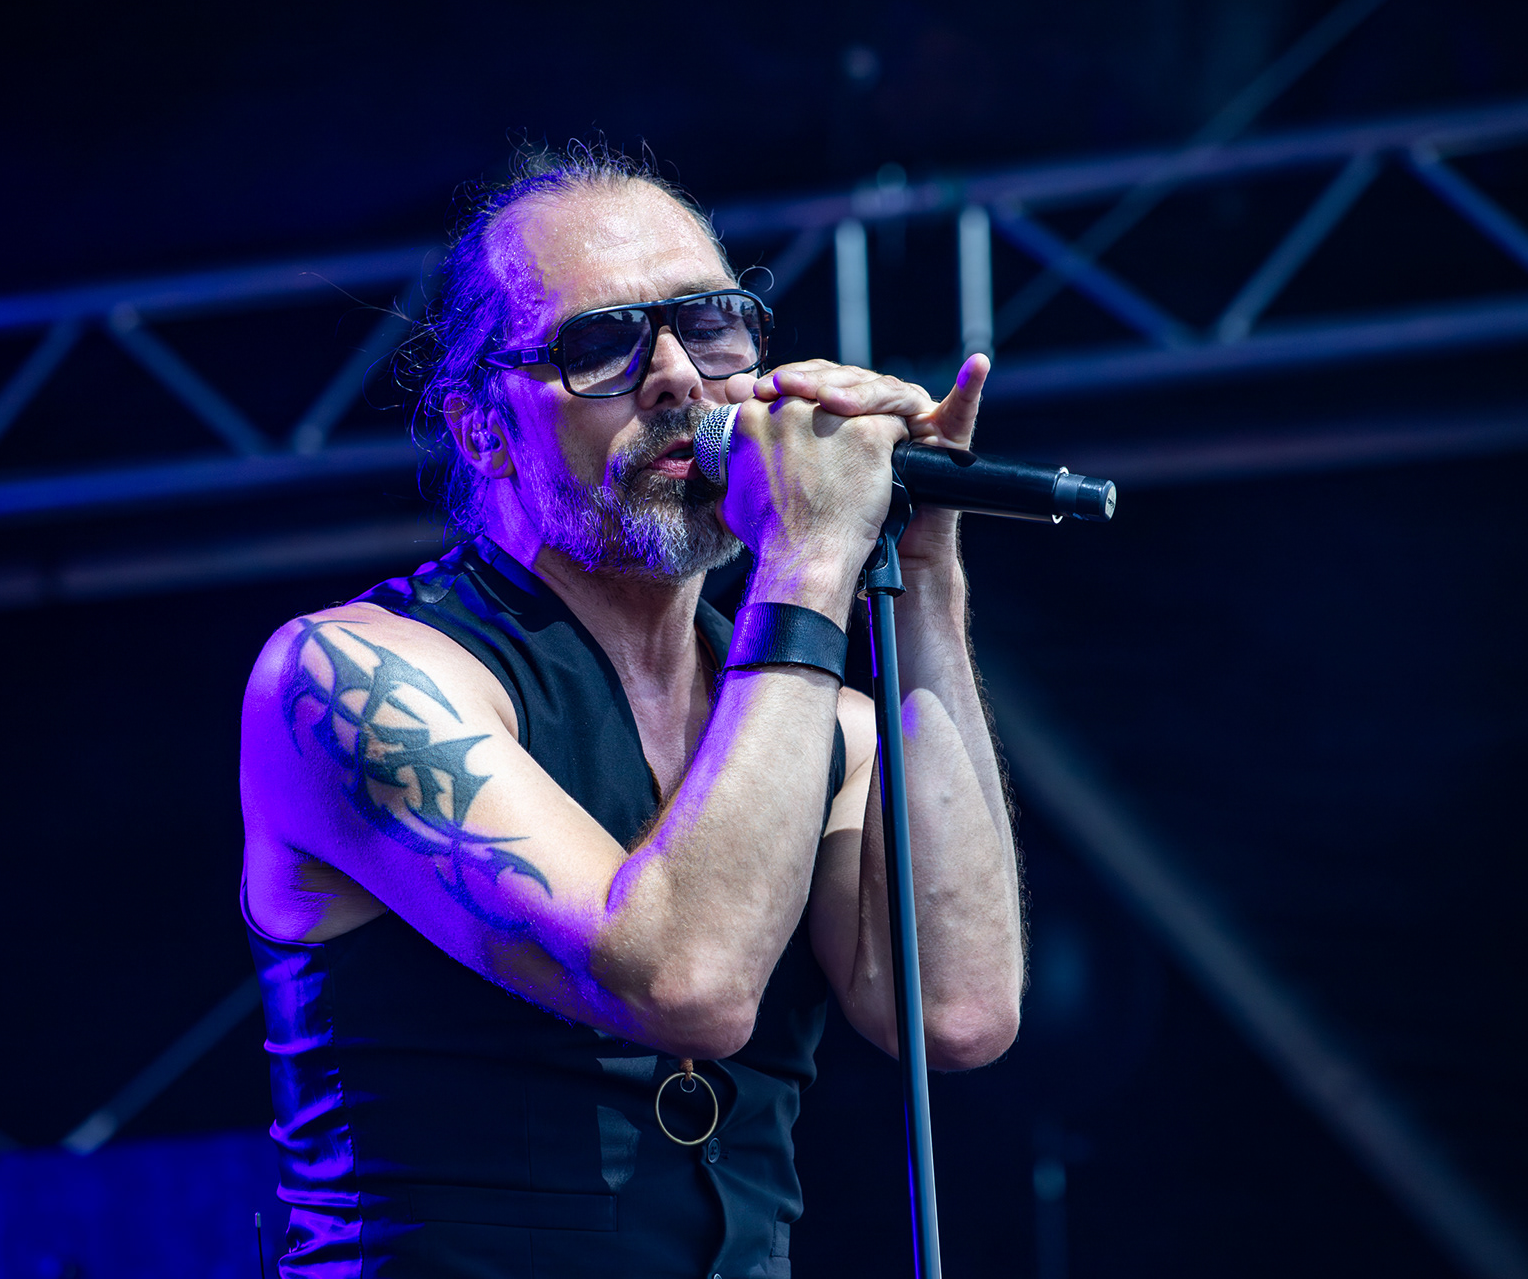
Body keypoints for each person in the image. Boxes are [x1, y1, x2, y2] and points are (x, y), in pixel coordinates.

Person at [240, 146, 1022, 1279]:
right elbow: (684, 982)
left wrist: (929, 568)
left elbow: (956, 1011)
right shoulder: (350, 679)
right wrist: (808, 564)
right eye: (602, 344)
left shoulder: (821, 726)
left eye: (710, 326)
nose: (675, 378)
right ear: (481, 428)